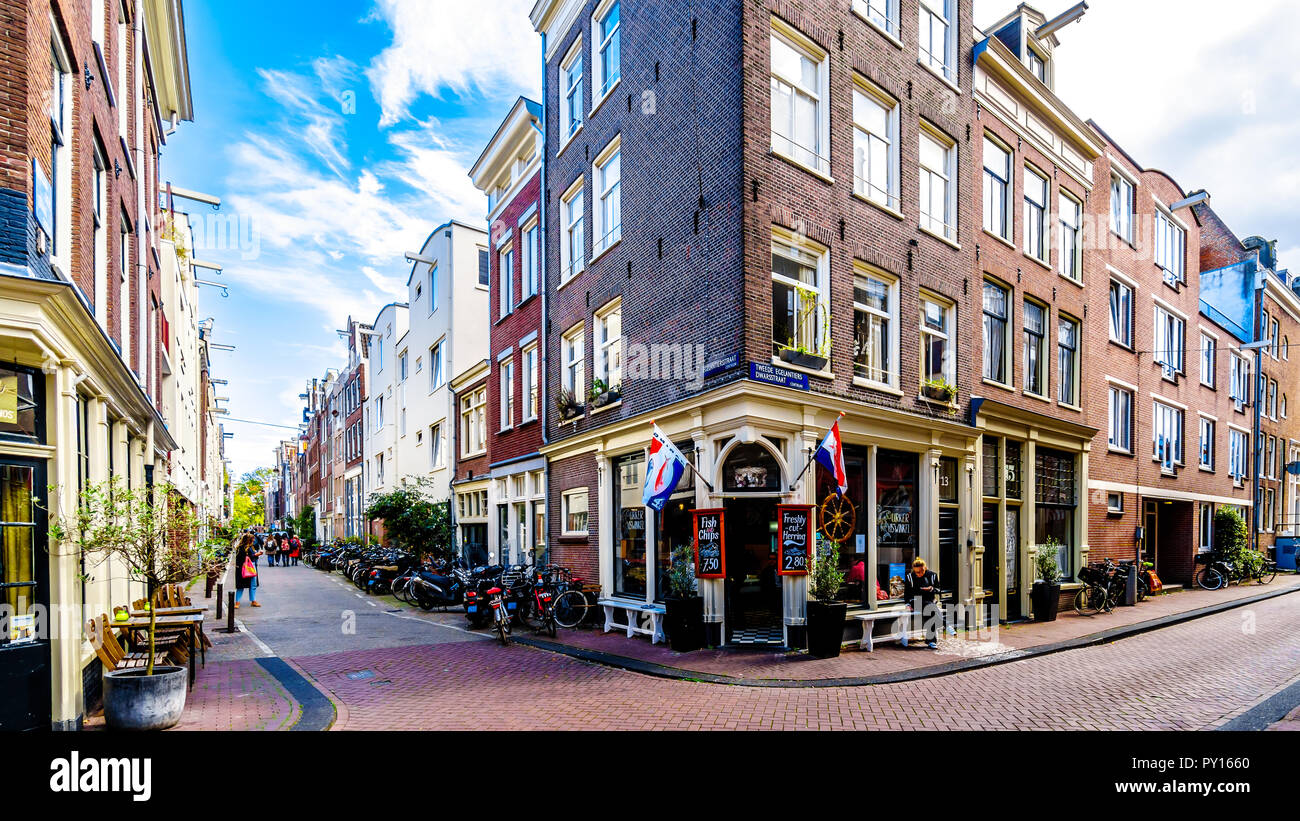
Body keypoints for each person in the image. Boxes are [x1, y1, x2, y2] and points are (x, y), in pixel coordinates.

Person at [902, 558, 941, 649]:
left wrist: (931, 589)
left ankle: (930, 641)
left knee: (932, 614)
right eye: (916, 572)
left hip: (929, 602)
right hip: (916, 602)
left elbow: (938, 590)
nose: (919, 574)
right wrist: (907, 604)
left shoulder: (933, 575)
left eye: (921, 571)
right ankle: (945, 624)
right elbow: (907, 593)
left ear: (925, 568)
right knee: (932, 609)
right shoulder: (910, 577)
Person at [233, 533, 262, 608]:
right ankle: (249, 601)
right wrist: (256, 555)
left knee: (246, 585)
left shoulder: (243, 547)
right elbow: (247, 557)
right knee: (248, 585)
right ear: (248, 540)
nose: (253, 541)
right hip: (246, 568)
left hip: (246, 567)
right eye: (252, 540)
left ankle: (240, 602)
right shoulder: (243, 548)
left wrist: (255, 554)